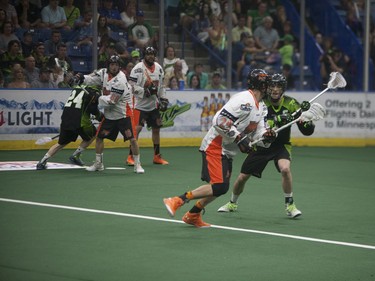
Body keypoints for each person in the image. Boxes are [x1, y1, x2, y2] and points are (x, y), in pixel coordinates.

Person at [163, 69, 276, 227]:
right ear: (260, 85)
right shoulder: (245, 99)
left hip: (227, 151)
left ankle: (193, 215)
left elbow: (259, 134)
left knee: (220, 188)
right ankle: (178, 200)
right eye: (267, 84)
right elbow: (219, 119)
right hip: (215, 146)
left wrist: (267, 136)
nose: (270, 88)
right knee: (219, 186)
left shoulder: (261, 107)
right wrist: (238, 137)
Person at [217, 73, 313, 218]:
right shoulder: (262, 103)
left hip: (281, 145)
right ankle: (232, 202)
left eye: (278, 86)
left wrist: (305, 121)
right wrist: (278, 119)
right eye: (272, 85)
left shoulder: (292, 104)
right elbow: (260, 124)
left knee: (285, 169)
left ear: (283, 88)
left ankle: (290, 205)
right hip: (261, 145)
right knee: (243, 177)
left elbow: (307, 131)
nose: (275, 89)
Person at [77, 54, 144, 173]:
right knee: (99, 137)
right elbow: (92, 79)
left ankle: (137, 164)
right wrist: (81, 77)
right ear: (108, 65)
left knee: (132, 139)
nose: (114, 67)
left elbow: (112, 101)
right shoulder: (103, 73)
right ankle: (98, 164)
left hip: (124, 113)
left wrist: (97, 97)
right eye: (112, 64)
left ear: (119, 66)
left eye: (116, 65)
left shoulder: (121, 80)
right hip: (110, 115)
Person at [36, 85, 102, 170]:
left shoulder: (78, 87)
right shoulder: (93, 91)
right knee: (93, 134)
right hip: (80, 120)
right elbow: (92, 109)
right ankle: (75, 156)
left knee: (62, 143)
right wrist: (100, 116)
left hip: (66, 118)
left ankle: (42, 162)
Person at [126, 46, 169, 166]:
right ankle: (130, 156)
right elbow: (131, 86)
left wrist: (164, 99)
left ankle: (157, 156)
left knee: (156, 129)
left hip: (153, 105)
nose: (151, 56)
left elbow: (161, 87)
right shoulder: (138, 68)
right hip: (140, 105)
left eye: (153, 54)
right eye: (148, 54)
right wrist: (145, 92)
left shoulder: (159, 68)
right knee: (137, 130)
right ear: (144, 55)